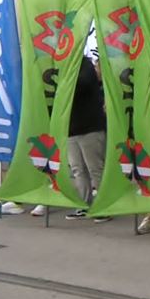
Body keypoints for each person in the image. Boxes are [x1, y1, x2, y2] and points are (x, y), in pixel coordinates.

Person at [65, 56, 109, 222]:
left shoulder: (85, 65)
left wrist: (65, 76)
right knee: (77, 169)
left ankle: (103, 206)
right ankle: (83, 205)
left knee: (95, 168)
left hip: (90, 127)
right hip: (71, 128)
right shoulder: (60, 66)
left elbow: (81, 85)